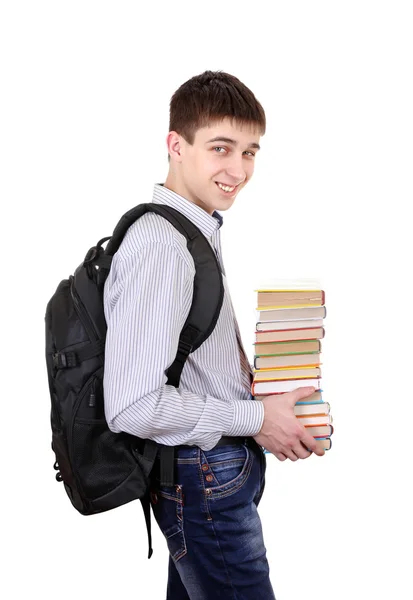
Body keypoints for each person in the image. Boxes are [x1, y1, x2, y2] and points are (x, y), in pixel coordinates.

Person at [103, 70, 325, 600]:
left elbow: (191, 359)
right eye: (221, 148)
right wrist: (254, 418)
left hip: (211, 472)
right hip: (203, 479)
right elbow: (131, 405)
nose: (238, 169)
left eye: (250, 151)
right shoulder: (162, 244)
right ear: (176, 146)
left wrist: (260, 387)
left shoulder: (193, 228)